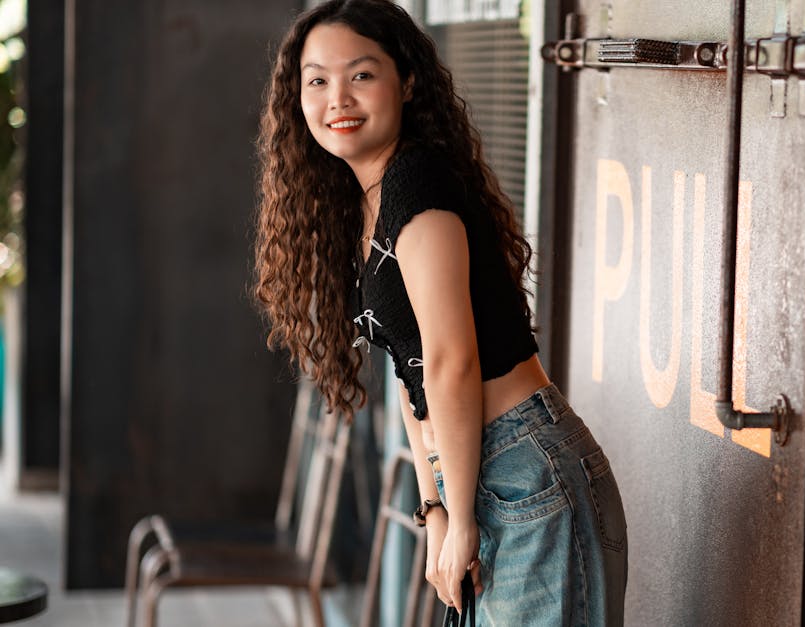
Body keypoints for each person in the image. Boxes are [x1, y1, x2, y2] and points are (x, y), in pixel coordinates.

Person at [251, 1, 629, 624]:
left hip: (520, 468)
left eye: (361, 75)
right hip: (477, 468)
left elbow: (452, 362)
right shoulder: (366, 199)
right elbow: (412, 369)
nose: (337, 97)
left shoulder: (416, 186)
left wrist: (459, 517)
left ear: (406, 81)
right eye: (317, 80)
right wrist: (437, 512)